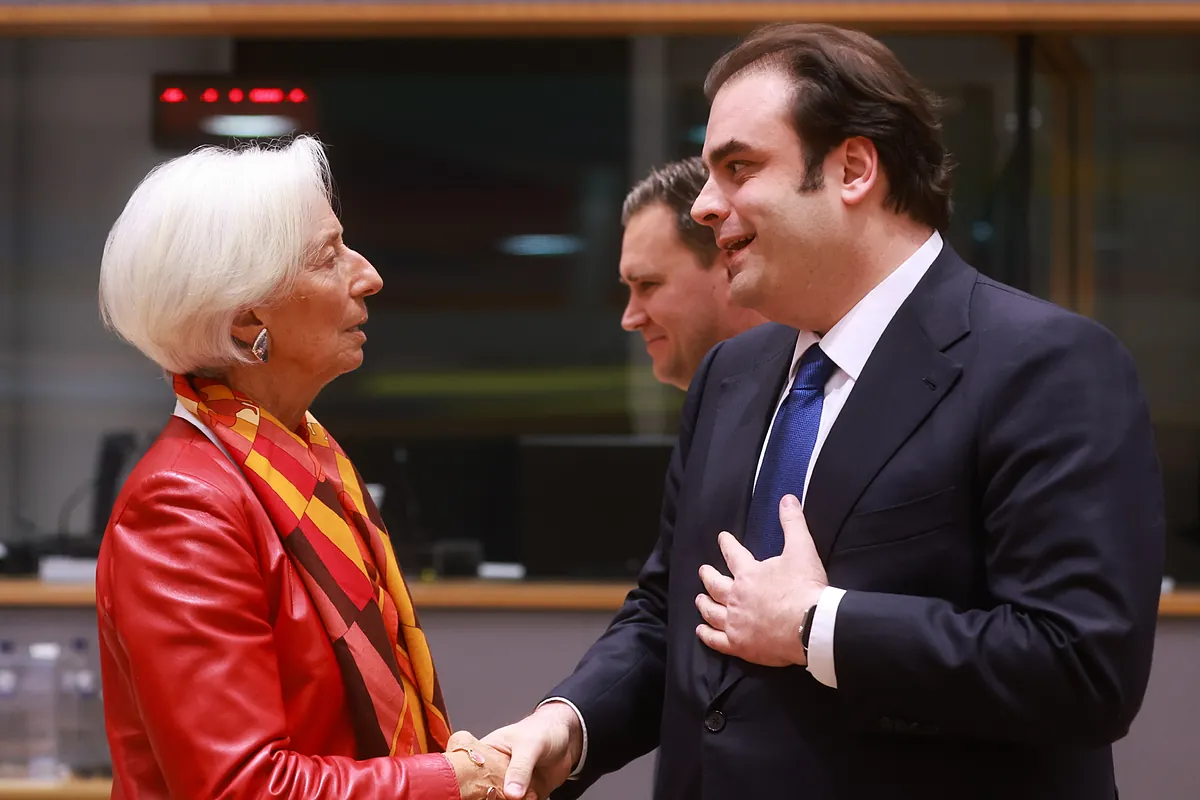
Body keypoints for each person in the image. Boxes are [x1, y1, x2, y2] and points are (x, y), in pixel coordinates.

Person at [482, 23, 1165, 800]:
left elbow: (1083, 668)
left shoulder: (1047, 364)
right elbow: (673, 612)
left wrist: (819, 627)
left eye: (739, 168)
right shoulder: (732, 374)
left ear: (853, 168)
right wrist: (569, 725)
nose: (704, 205)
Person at [95, 136, 509, 799]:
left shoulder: (302, 452)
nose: (368, 275)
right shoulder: (184, 504)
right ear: (245, 321)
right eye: (329, 256)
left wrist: (442, 764)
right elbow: (243, 788)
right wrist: (452, 780)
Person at [619, 157, 764, 389]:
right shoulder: (718, 407)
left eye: (647, 284)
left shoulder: (814, 395)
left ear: (732, 267)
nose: (629, 320)